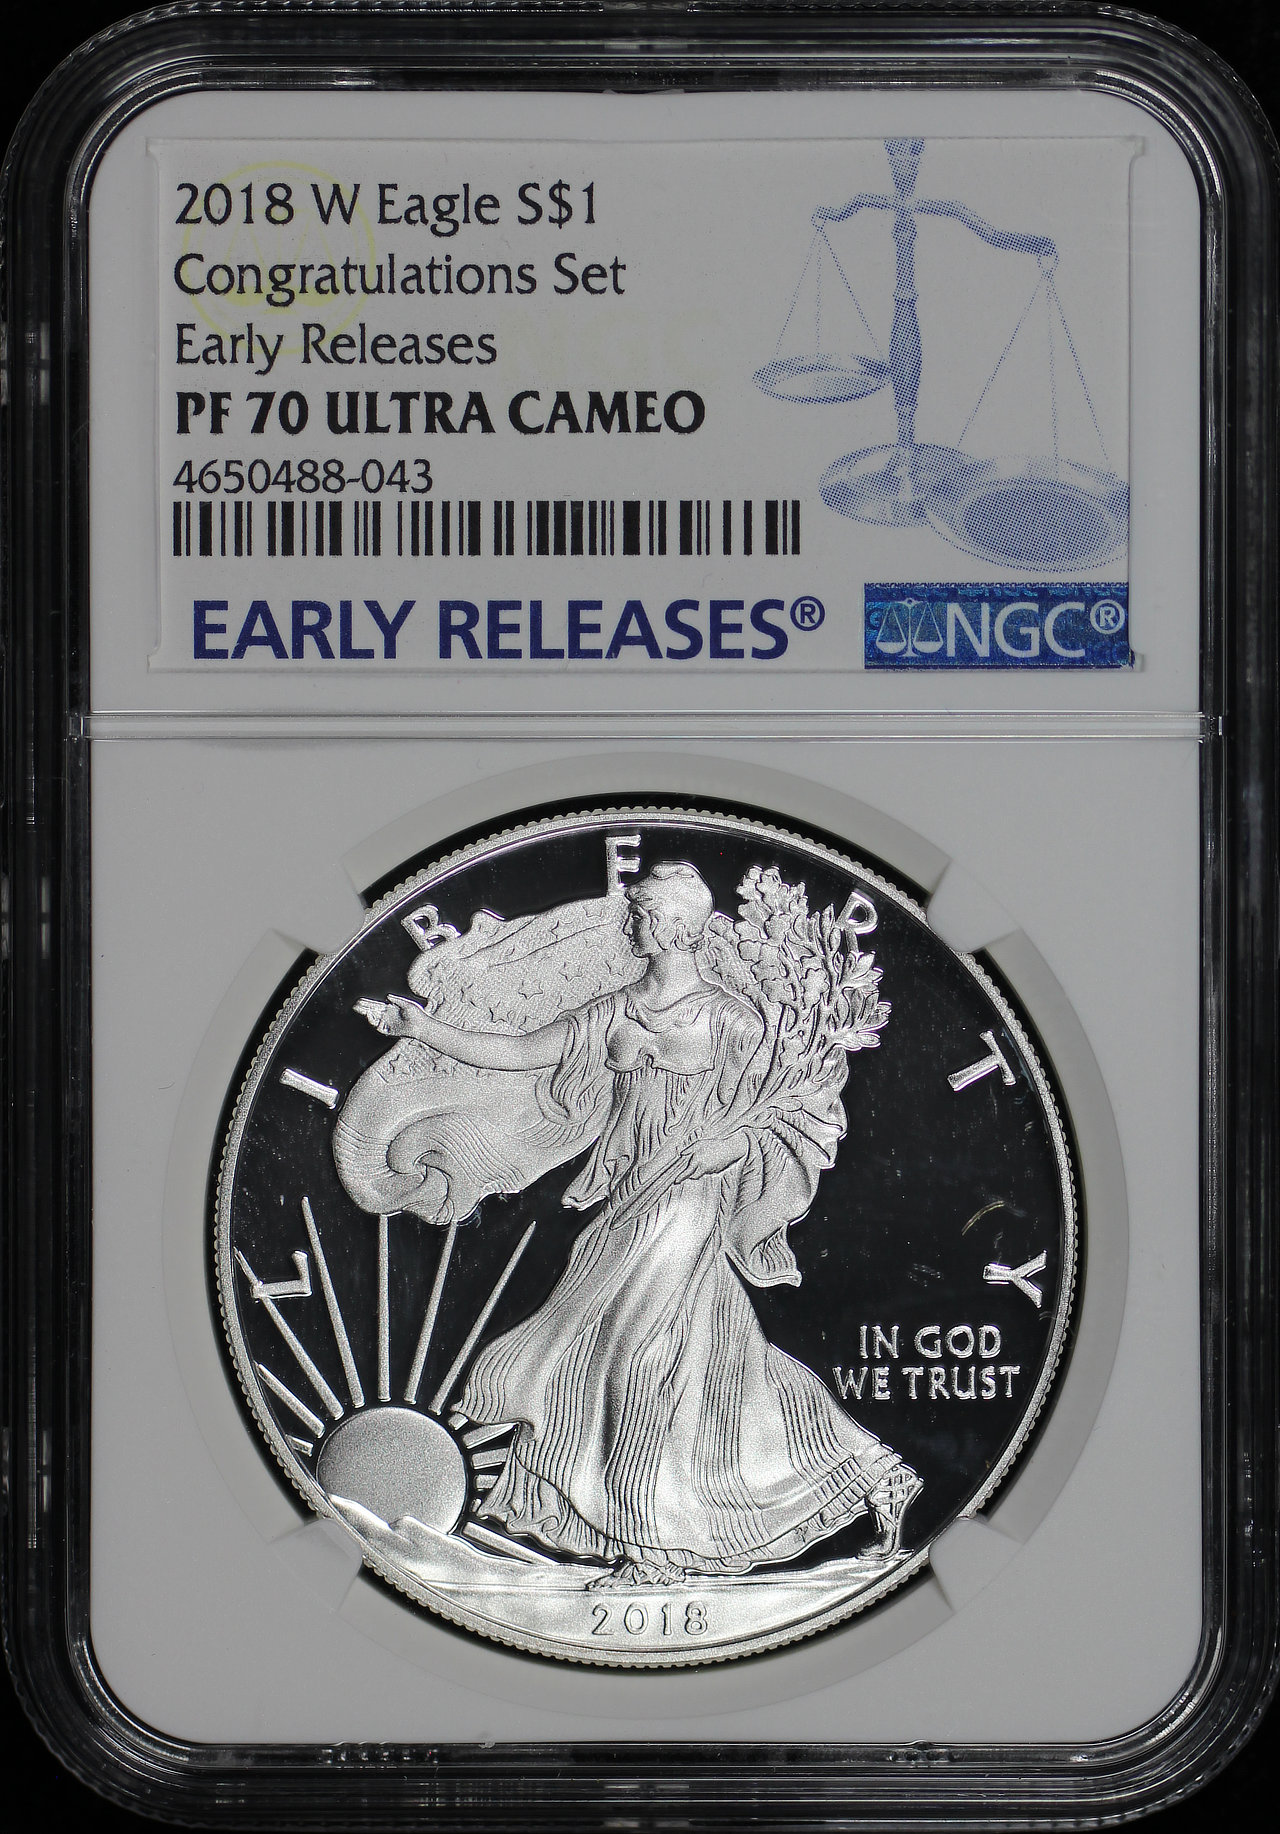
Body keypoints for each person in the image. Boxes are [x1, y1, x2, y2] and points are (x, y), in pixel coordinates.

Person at [358, 862, 920, 1583]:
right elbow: (523, 1054)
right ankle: (872, 1472)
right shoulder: (615, 1009)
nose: (632, 925)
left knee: (638, 1353)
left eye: (644, 915)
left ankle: (652, 1548)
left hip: (691, 1196)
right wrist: (424, 1027)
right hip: (630, 1196)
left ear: (676, 928)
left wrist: (729, 1145)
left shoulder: (733, 1021)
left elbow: (786, 1113)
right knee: (720, 1361)